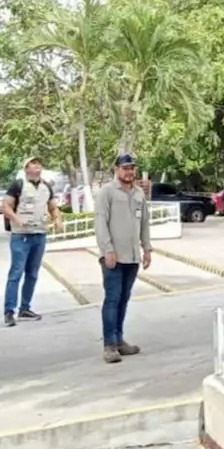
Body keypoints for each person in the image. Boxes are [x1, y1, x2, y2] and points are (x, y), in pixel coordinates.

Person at [95, 152, 151, 363]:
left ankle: (119, 340)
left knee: (123, 300)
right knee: (112, 299)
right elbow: (100, 223)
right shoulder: (106, 193)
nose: (129, 171)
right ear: (117, 170)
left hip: (133, 257)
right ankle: (109, 345)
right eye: (125, 168)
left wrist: (147, 249)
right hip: (113, 258)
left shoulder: (138, 193)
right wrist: (107, 250)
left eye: (132, 168)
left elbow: (144, 223)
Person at [1, 156, 61, 327]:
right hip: (21, 236)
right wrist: (16, 219)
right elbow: (6, 206)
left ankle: (25, 308)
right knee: (16, 273)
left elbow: (53, 207)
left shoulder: (46, 186)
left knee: (32, 273)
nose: (37, 167)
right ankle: (9, 311)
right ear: (26, 168)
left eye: (39, 164)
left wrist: (57, 219)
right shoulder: (18, 185)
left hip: (39, 235)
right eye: (33, 164)